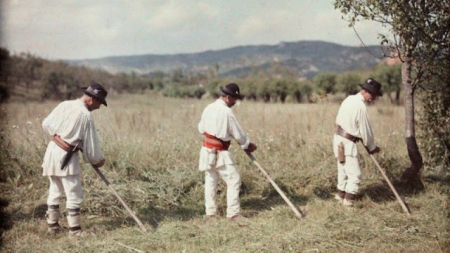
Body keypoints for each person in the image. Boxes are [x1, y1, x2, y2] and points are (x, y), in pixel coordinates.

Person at [42, 81, 107, 237]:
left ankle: (53, 227)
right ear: (92, 99)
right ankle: (75, 232)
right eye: (99, 103)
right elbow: (91, 149)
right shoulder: (86, 116)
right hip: (66, 156)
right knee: (74, 193)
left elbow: (46, 124)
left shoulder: (65, 104)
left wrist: (58, 138)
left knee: (55, 189)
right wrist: (98, 160)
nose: (98, 107)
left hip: (52, 151)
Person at [198, 83, 257, 221]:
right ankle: (233, 214)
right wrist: (248, 145)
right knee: (234, 180)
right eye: (234, 99)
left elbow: (200, 128)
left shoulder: (208, 107)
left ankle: (210, 213)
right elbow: (238, 134)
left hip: (206, 149)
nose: (235, 102)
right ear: (228, 97)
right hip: (219, 152)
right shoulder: (227, 112)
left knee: (211, 180)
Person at [333, 78, 382, 207]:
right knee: (355, 175)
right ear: (366, 92)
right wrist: (372, 147)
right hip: (348, 142)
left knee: (343, 170)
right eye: (373, 95)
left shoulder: (349, 99)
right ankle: (348, 203)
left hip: (338, 139)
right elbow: (365, 130)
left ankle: (340, 197)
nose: (373, 98)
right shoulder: (360, 106)